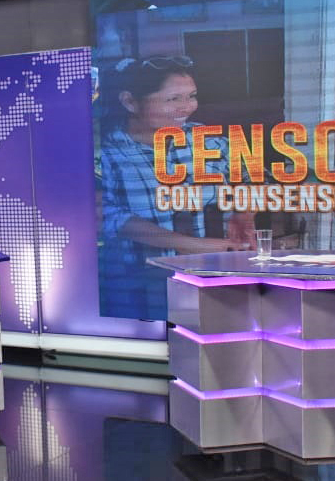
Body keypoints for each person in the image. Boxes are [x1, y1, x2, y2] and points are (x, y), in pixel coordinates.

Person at [97, 56, 252, 319]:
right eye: (173, 99)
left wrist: (244, 215)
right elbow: (107, 215)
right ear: (130, 102)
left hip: (217, 277)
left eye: (191, 96)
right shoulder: (108, 153)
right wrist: (190, 245)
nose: (187, 107)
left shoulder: (208, 140)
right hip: (142, 287)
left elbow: (251, 179)